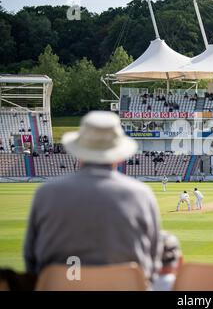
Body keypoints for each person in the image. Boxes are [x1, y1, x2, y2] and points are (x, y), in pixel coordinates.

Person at [23, 111, 162, 283]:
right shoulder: (141, 195)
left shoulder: (46, 193)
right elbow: (153, 262)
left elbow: (31, 259)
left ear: (79, 152)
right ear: (118, 155)